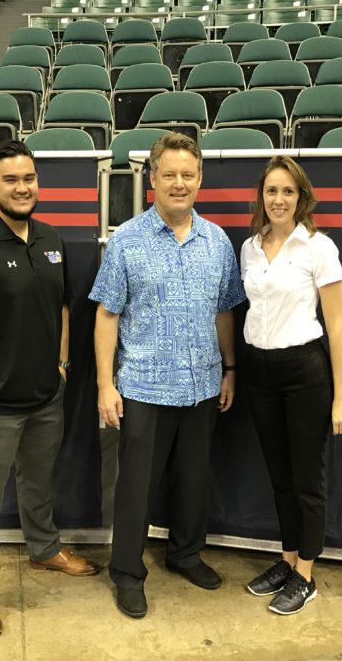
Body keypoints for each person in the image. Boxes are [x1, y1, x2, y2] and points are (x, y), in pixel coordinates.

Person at [0, 140, 100, 639]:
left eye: (29, 178)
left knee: (37, 481)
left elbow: (64, 308)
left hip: (47, 395)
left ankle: (44, 548)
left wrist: (63, 365)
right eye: (11, 179)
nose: (22, 187)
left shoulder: (51, 240)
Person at [89, 132, 246, 619]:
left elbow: (225, 311)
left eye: (188, 175)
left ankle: (184, 554)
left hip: (201, 385)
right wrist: (104, 385)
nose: (179, 183)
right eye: (170, 174)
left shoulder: (217, 241)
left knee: (193, 481)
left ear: (200, 180)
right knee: (136, 487)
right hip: (143, 387)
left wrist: (230, 369)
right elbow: (107, 316)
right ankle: (128, 574)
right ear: (152, 179)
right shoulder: (126, 241)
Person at [240, 155, 342, 616]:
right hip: (258, 370)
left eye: (288, 191)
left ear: (301, 196)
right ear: (262, 197)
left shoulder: (319, 248)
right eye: (272, 191)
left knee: (307, 478)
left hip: (304, 371)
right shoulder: (250, 245)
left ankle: (305, 574)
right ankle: (287, 561)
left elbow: (338, 325)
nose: (279, 199)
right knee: (279, 475)